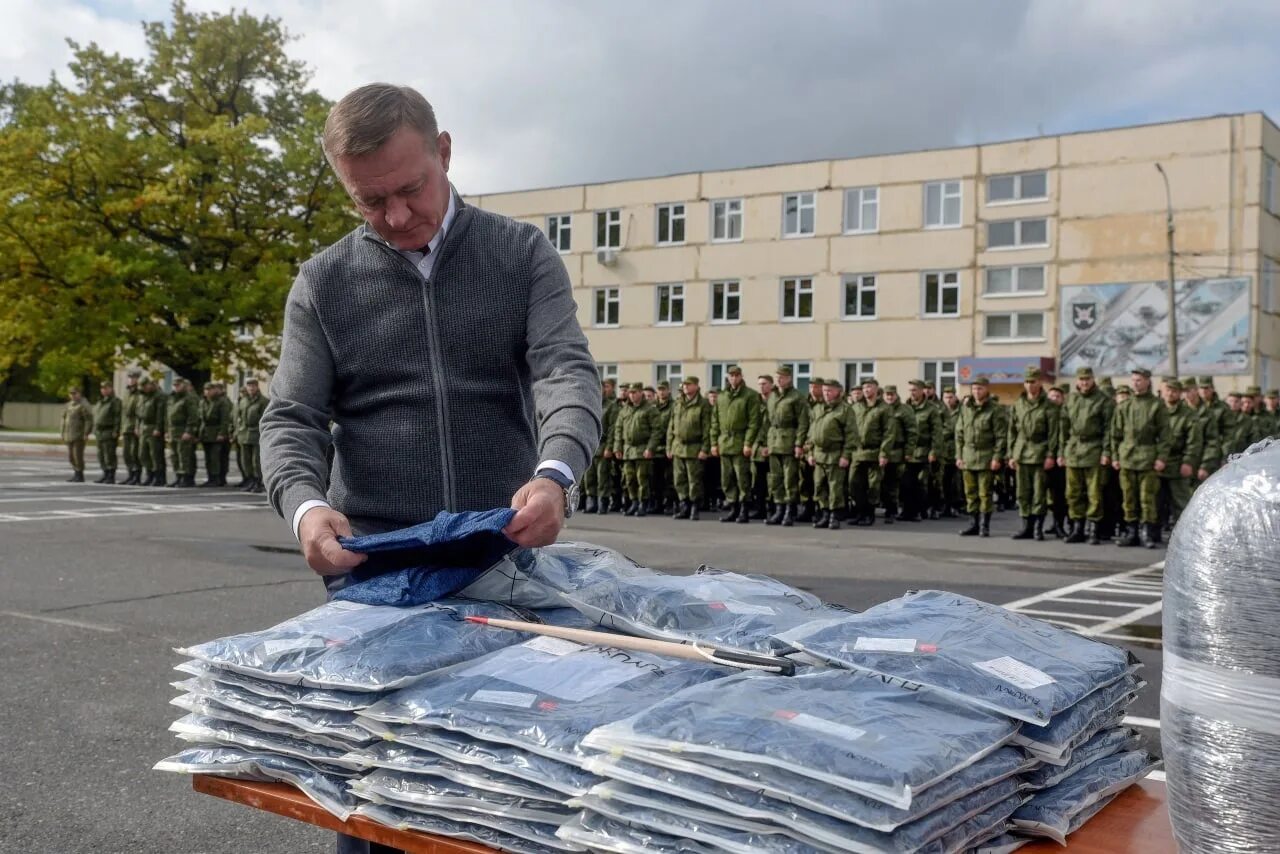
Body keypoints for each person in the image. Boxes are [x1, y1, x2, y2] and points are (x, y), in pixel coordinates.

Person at [259, 83, 601, 614]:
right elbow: (290, 417)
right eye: (369, 200)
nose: (396, 217)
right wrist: (305, 507)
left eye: (411, 188)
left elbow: (565, 373)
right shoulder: (322, 283)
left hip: (503, 543)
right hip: (373, 561)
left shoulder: (521, 254)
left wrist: (555, 474)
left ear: (443, 151)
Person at [1107, 368, 1170, 549]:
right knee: (1128, 497)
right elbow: (1115, 434)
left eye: (1140, 380)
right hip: (1127, 458)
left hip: (1148, 458)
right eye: (1134, 380)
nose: (1136, 383)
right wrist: (1115, 456)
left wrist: (1161, 458)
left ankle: (1148, 533)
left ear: (1148, 381)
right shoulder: (1124, 406)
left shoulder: (1157, 405)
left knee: (1147, 498)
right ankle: (1131, 532)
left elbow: (1165, 435)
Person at [1059, 367, 1110, 545]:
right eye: (1081, 379)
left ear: (1093, 379)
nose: (1084, 382)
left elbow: (1108, 429)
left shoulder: (1103, 400)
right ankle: (1077, 528)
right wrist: (1061, 452)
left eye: (1087, 379)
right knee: (1073, 492)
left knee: (1094, 493)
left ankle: (1093, 529)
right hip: (1073, 450)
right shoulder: (1072, 399)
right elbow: (1063, 427)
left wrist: (1106, 452)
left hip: (1093, 448)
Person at [1006, 367, 1057, 541]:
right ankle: (1026, 526)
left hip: (1039, 451)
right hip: (1021, 452)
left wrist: (1050, 455)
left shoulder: (1049, 405)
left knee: (1039, 492)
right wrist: (1011, 454)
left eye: (1033, 382)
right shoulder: (1018, 404)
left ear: (1040, 382)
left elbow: (1053, 433)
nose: (1029, 385)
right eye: (1027, 382)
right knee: (1022, 491)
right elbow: (1012, 431)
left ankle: (1038, 528)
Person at [711, 365, 763, 524]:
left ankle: (744, 509)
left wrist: (748, 443)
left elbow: (754, 422)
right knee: (727, 478)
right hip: (725, 442)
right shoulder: (721, 397)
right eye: (731, 375)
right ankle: (732, 508)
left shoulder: (750, 395)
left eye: (736, 375)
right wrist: (714, 442)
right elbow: (715, 421)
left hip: (740, 441)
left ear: (741, 376)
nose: (734, 378)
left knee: (742, 478)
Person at [956, 376, 1005, 537]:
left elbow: (1000, 436)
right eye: (974, 388)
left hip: (986, 456)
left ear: (987, 389)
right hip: (968, 456)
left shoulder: (995, 409)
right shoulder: (965, 409)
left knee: (985, 493)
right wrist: (959, 456)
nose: (977, 392)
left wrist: (997, 458)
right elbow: (959, 434)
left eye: (980, 388)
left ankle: (985, 525)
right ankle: (974, 524)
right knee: (970, 493)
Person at [1156, 377, 1203, 535]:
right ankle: (1153, 533)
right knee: (1155, 501)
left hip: (1178, 463)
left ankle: (1183, 535)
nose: (1170, 394)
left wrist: (1188, 462)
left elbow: (1194, 442)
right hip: (1156, 464)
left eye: (1174, 391)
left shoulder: (1188, 414)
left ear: (1180, 394)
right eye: (1168, 390)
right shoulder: (1157, 410)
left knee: (1180, 502)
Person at [805, 380, 854, 529]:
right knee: (819, 486)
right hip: (819, 454)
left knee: (835, 487)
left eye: (830, 390)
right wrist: (810, 453)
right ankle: (824, 513)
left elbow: (851, 435)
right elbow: (811, 433)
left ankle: (834, 515)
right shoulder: (818, 409)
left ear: (839, 392)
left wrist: (846, 455)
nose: (827, 393)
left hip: (835, 454)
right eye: (825, 390)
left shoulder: (845, 410)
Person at [764, 365, 809, 526]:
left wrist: (799, 444)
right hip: (774, 441)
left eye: (782, 377)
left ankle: (790, 510)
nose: (779, 380)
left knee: (790, 478)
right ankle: (779, 509)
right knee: (775, 479)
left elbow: (803, 423)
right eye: (777, 377)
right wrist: (765, 443)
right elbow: (767, 421)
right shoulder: (772, 396)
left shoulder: (797, 397)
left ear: (789, 378)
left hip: (789, 441)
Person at [848, 378, 896, 527]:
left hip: (875, 451)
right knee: (854, 483)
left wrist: (884, 453)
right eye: (864, 387)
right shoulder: (856, 407)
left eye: (869, 387)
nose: (866, 390)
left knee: (873, 486)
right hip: (857, 452)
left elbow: (889, 432)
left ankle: (869, 514)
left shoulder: (884, 408)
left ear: (876, 389)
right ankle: (860, 512)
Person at [666, 376, 712, 520]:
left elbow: (707, 428)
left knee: (694, 480)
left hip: (694, 446)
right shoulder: (678, 403)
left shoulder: (703, 404)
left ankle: (694, 507)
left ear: (696, 386)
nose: (686, 387)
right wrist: (669, 446)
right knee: (680, 479)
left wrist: (705, 448)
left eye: (689, 384)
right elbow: (671, 426)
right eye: (684, 385)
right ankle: (684, 505)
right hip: (678, 446)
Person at [612, 382, 660, 516]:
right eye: (631, 393)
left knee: (642, 478)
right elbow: (618, 430)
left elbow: (656, 431)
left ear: (641, 393)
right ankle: (633, 502)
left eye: (635, 393)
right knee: (629, 478)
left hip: (642, 448)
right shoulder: (625, 410)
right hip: (628, 449)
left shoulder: (649, 409)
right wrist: (617, 447)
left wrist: (650, 448)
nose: (632, 395)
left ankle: (643, 503)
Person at [902, 379, 941, 523]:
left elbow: (937, 432)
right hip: (907, 452)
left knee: (920, 483)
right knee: (906, 483)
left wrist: (934, 451)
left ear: (922, 391)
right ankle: (907, 510)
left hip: (924, 452)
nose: (912, 393)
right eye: (910, 390)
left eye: (915, 390)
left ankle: (918, 511)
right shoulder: (905, 407)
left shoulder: (931, 409)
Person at [880, 385, 917, 524]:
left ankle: (894, 510)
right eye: (887, 395)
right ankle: (889, 508)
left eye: (892, 394)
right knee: (884, 483)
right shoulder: (881, 409)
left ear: (896, 395)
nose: (889, 397)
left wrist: (908, 451)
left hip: (897, 451)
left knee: (896, 483)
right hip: (883, 451)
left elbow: (912, 431)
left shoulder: (904, 410)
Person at [583, 378, 619, 514]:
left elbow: (612, 428)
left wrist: (609, 447)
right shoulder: (590, 403)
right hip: (590, 445)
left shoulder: (610, 406)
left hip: (603, 445)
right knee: (589, 477)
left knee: (603, 476)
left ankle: (602, 503)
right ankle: (591, 502)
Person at [798, 378, 825, 522]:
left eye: (816, 387)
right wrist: (799, 444)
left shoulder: (825, 405)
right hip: (805, 446)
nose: (813, 390)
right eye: (811, 387)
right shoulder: (804, 404)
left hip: (819, 446)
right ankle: (807, 508)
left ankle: (820, 510)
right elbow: (801, 425)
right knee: (804, 480)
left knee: (819, 481)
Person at [165, 378, 200, 488]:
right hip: (173, 430)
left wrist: (189, 431)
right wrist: (167, 430)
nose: (176, 387)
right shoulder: (172, 399)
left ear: (183, 386)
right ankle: (178, 476)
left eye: (178, 385)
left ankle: (186, 478)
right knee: (174, 455)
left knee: (184, 455)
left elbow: (193, 416)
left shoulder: (188, 398)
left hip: (182, 429)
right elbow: (167, 416)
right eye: (174, 385)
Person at [749, 374, 775, 519]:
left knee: (773, 481)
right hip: (757, 446)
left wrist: (770, 445)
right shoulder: (756, 402)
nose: (761, 386)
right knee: (758, 481)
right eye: (759, 384)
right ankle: (760, 509)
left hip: (773, 445)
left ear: (771, 385)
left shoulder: (776, 401)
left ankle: (772, 509)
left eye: (764, 383)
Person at [198, 381, 233, 487]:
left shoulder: (221, 402)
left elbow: (225, 419)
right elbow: (201, 419)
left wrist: (222, 433)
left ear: (214, 390)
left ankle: (217, 478)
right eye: (206, 390)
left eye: (209, 389)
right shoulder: (203, 402)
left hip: (216, 433)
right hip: (206, 434)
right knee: (208, 458)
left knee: (216, 458)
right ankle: (210, 478)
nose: (207, 392)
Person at [237, 378, 268, 493]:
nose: (251, 388)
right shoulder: (243, 400)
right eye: (249, 386)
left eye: (253, 385)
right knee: (246, 460)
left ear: (257, 386)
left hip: (256, 434)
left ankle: (258, 482)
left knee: (256, 460)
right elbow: (239, 417)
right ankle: (249, 480)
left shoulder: (263, 401)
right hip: (244, 435)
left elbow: (264, 419)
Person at [935, 386, 961, 517]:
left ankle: (954, 506)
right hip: (942, 450)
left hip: (955, 451)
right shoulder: (938, 411)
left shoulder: (961, 411)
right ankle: (944, 506)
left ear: (955, 397)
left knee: (955, 481)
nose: (948, 400)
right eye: (946, 397)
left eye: (951, 397)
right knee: (942, 480)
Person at [650, 381, 675, 514]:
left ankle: (669, 504)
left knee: (669, 479)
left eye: (664, 389)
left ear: (669, 391)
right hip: (655, 448)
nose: (661, 392)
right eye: (659, 389)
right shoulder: (652, 406)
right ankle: (657, 504)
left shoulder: (674, 406)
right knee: (656, 479)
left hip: (667, 447)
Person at [92, 380, 123, 484]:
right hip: (100, 432)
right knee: (101, 454)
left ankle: (111, 475)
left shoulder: (115, 402)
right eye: (102, 388)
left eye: (106, 388)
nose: (104, 390)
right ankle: (105, 473)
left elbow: (117, 417)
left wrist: (116, 430)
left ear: (111, 389)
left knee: (109, 454)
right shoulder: (101, 401)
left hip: (109, 431)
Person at [138, 377, 167, 486]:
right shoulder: (143, 397)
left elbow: (161, 415)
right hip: (144, 427)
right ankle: (149, 475)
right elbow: (139, 414)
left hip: (153, 426)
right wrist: (138, 426)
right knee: (143, 454)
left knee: (156, 454)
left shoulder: (159, 396)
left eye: (145, 386)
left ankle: (159, 477)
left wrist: (158, 428)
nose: (144, 389)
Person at [61, 387, 93, 482]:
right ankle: (76, 472)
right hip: (69, 434)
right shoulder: (68, 405)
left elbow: (88, 420)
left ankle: (80, 474)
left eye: (75, 393)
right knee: (71, 456)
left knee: (77, 456)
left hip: (79, 434)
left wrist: (86, 432)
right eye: (71, 394)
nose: (73, 395)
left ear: (79, 394)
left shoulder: (83, 405)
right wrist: (62, 432)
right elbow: (64, 419)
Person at [121, 369, 144, 485]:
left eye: (133, 378)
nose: (131, 380)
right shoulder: (127, 393)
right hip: (126, 426)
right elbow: (124, 412)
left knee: (134, 452)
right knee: (126, 453)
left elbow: (139, 412)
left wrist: (137, 426)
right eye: (129, 377)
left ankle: (137, 476)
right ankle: (130, 474)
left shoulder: (140, 394)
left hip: (135, 426)